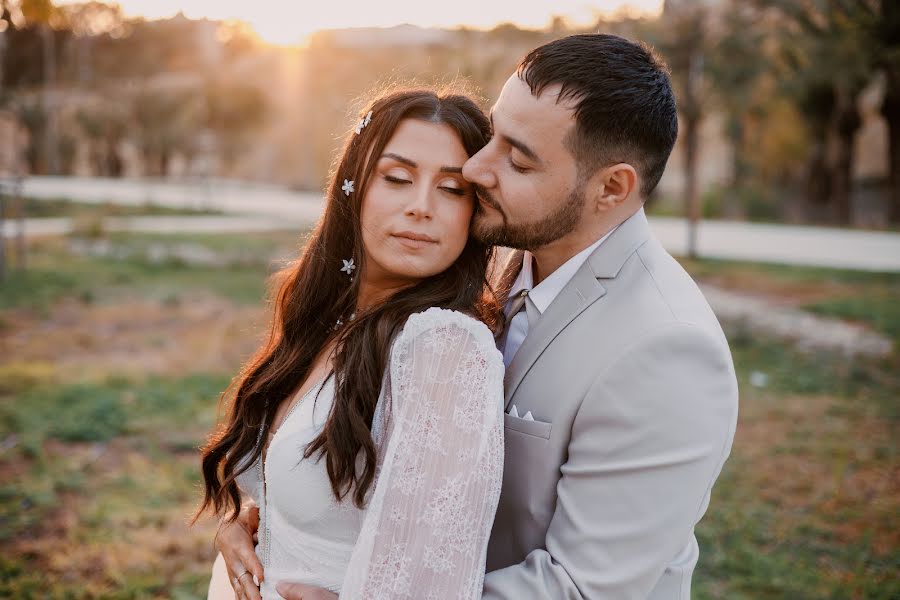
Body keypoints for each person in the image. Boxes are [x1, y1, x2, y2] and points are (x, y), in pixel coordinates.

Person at [227, 33, 739, 600]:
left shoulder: (667, 348)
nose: (474, 168)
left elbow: (583, 588)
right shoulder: (487, 257)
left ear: (611, 188)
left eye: (517, 158)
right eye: (494, 134)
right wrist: (279, 517)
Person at [193, 88, 506, 600]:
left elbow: (432, 579)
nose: (421, 207)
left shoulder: (443, 346)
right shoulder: (329, 318)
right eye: (398, 178)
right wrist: (246, 521)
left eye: (452, 189)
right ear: (353, 187)